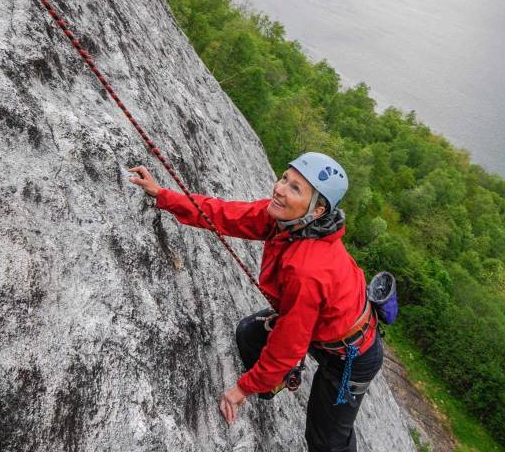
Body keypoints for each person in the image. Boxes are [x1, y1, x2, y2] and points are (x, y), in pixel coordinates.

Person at [129, 152, 384, 452]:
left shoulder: (307, 271)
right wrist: (164, 196)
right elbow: (225, 214)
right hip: (319, 326)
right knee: (248, 334)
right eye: (284, 178)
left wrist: (241, 389)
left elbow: (287, 347)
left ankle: (275, 379)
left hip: (349, 356)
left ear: (317, 211)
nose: (279, 189)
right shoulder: (286, 221)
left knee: (326, 442)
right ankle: (275, 381)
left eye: (295, 188)